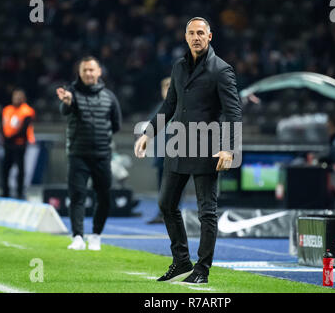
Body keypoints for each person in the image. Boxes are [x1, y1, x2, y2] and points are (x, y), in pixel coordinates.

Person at [134, 17, 242, 284]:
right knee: (166, 204)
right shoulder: (179, 67)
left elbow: (234, 112)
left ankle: (202, 270)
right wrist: (148, 133)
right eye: (192, 33)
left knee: (207, 211)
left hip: (208, 148)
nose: (196, 37)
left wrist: (229, 148)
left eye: (201, 33)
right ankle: (182, 261)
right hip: (178, 145)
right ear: (185, 37)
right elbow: (168, 106)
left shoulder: (221, 70)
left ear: (210, 36)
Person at [57, 56, 122, 251]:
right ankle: (77, 236)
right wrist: (67, 102)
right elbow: (64, 110)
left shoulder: (109, 97)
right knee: (77, 195)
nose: (88, 73)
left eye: (92, 70)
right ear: (79, 72)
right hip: (78, 154)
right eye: (85, 70)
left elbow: (117, 124)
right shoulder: (71, 94)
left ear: (99, 72)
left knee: (104, 197)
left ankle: (96, 235)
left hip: (102, 155)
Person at [1, 89, 35, 199]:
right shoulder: (7, 109)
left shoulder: (27, 111)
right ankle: (5, 192)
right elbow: (3, 125)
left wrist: (9, 138)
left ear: (23, 99)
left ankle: (19, 192)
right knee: (5, 168)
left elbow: (24, 129)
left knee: (20, 169)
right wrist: (5, 138)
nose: (17, 99)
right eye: (15, 97)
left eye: (19, 97)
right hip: (8, 144)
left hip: (19, 144)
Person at [147, 76, 170, 224]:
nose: (167, 91)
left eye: (170, 87)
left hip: (176, 155)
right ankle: (161, 212)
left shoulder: (182, 107)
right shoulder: (159, 107)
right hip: (161, 155)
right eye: (165, 88)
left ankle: (171, 214)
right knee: (161, 186)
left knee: (174, 187)